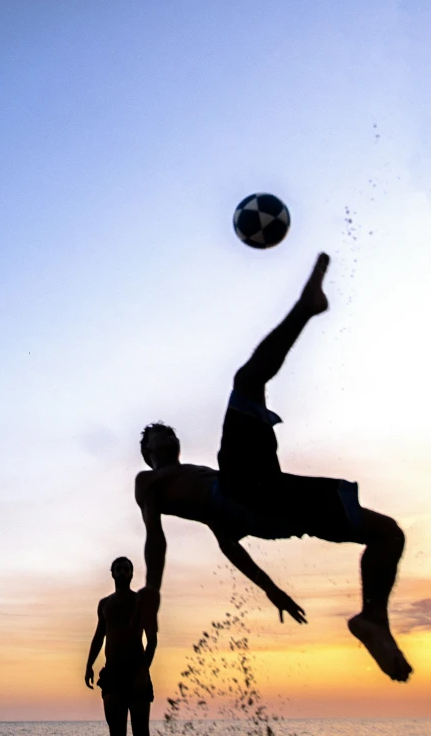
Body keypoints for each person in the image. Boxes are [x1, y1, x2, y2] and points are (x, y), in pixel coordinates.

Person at [135, 253, 412, 683]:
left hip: (270, 504)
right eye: (156, 434)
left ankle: (373, 619)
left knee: (387, 533)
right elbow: (155, 536)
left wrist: (271, 590)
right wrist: (153, 587)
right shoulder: (150, 481)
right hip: (245, 494)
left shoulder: (198, 480)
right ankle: (307, 306)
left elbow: (230, 546)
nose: (166, 434)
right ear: (148, 450)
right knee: (246, 382)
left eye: (168, 430)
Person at [85, 556, 157, 736]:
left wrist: (142, 672)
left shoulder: (141, 602)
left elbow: (152, 641)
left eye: (126, 569)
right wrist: (89, 665)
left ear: (132, 573)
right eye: (118, 569)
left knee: (141, 731)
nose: (122, 572)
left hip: (136, 670)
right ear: (112, 574)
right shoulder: (105, 604)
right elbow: (99, 636)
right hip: (112, 673)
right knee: (116, 731)